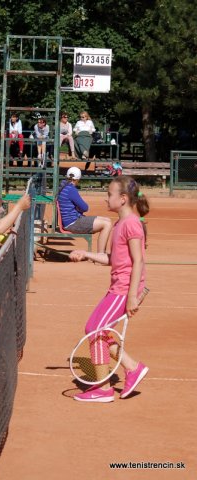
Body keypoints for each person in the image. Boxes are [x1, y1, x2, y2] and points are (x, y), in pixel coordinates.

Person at [69, 175, 150, 402]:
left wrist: (132, 296)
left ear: (123, 199)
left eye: (109, 195)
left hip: (124, 289)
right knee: (98, 330)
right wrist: (85, 254)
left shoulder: (132, 223)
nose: (106, 199)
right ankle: (132, 367)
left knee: (95, 330)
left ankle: (103, 388)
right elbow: (113, 258)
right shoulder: (120, 224)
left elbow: (139, 261)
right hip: (119, 287)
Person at [57, 167, 112, 253]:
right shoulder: (71, 189)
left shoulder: (63, 186)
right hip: (73, 223)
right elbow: (85, 207)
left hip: (70, 221)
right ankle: (101, 254)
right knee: (106, 224)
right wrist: (78, 208)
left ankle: (101, 253)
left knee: (107, 220)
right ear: (78, 178)